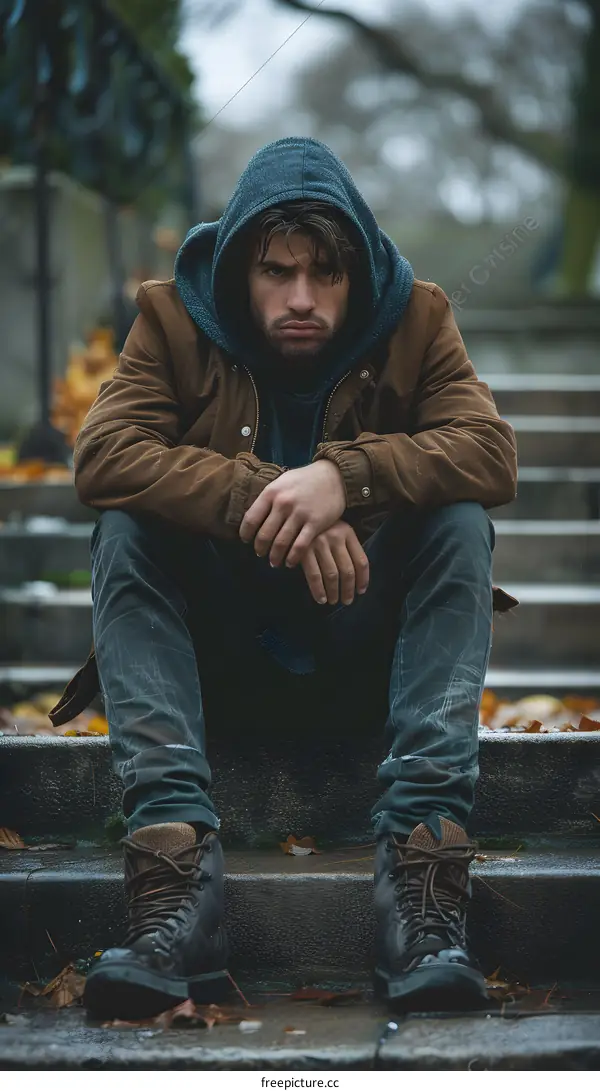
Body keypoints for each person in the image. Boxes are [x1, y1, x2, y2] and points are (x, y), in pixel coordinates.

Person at [48, 137, 518, 1020]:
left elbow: (490, 452)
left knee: (460, 519)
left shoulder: (417, 318)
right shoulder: (174, 320)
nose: (301, 298)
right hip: (222, 668)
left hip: (366, 664)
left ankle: (420, 895)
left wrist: (347, 476)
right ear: (239, 270)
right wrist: (266, 496)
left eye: (325, 275)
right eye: (276, 272)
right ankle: (175, 885)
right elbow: (104, 455)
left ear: (359, 274)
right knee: (125, 522)